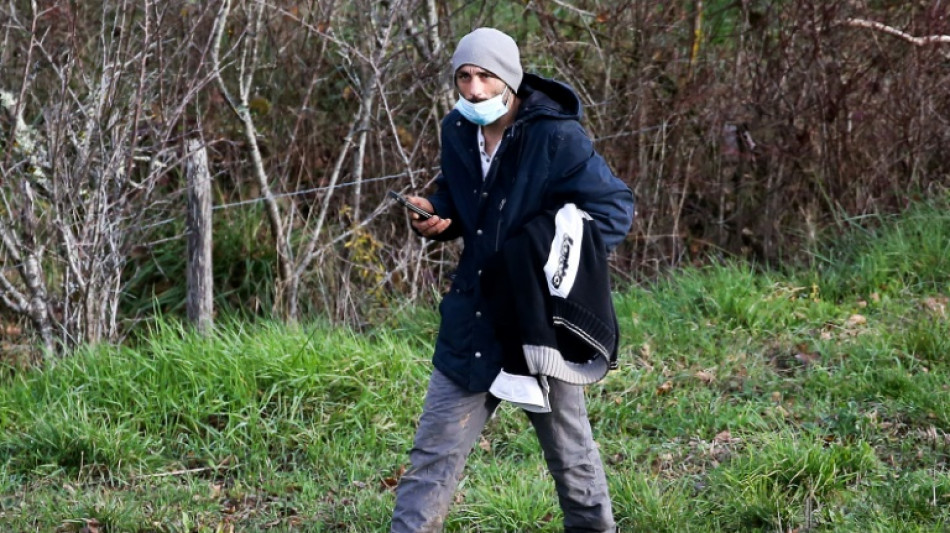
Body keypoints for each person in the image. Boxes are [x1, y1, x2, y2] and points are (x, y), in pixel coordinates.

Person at [391, 27, 634, 533]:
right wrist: (435, 213)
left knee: (571, 456)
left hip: (536, 325)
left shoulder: (556, 136)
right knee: (431, 455)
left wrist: (548, 264)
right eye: (464, 77)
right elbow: (462, 204)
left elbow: (613, 210)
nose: (475, 89)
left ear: (511, 77)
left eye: (485, 76)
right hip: (472, 317)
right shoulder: (458, 130)